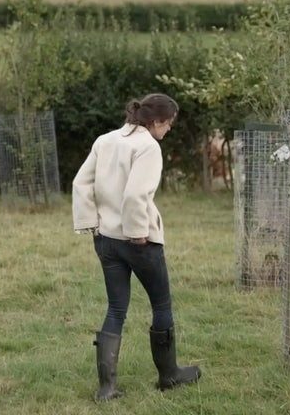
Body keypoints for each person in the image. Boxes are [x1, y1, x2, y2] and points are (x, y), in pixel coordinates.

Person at [72, 93, 202, 402]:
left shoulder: (105, 140)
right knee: (161, 305)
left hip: (105, 239)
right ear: (156, 121)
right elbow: (134, 195)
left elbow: (81, 183)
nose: (168, 130)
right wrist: (136, 231)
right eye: (168, 124)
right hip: (138, 241)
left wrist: (91, 224)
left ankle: (106, 389)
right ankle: (169, 375)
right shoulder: (148, 147)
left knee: (116, 308)